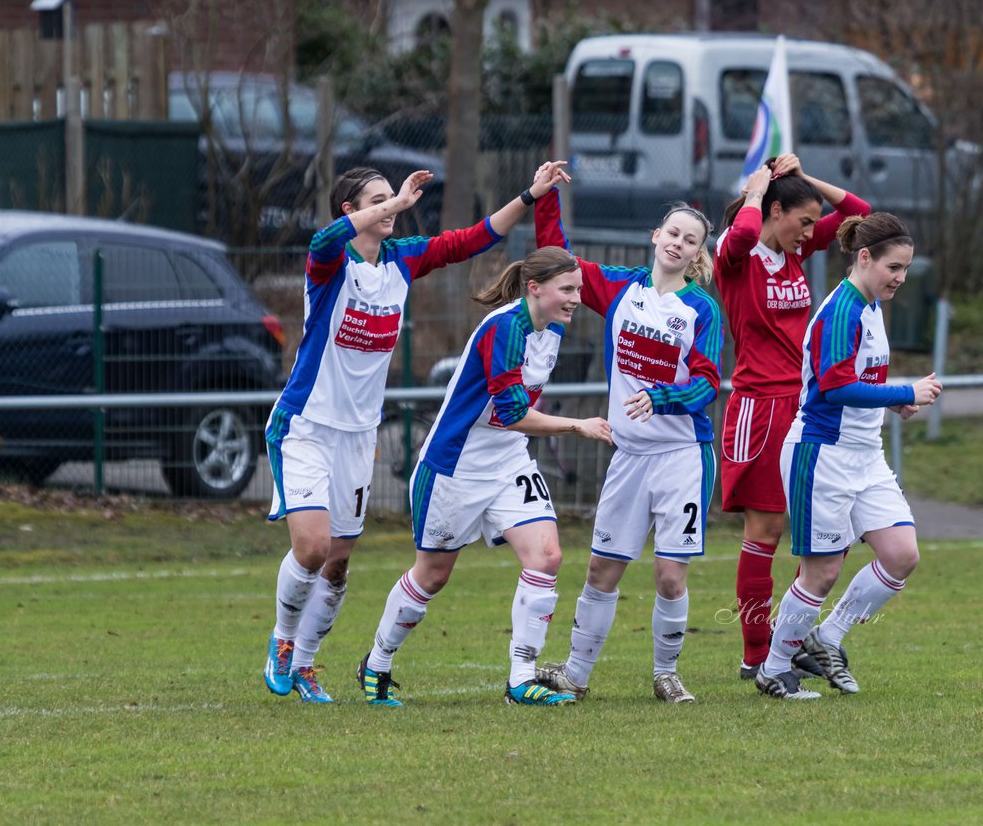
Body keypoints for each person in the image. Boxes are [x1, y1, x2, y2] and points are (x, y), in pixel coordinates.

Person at [264, 161, 571, 703]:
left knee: (337, 561)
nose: (393, 206)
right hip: (307, 425)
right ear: (352, 211)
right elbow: (322, 238)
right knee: (311, 549)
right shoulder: (330, 263)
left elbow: (472, 239)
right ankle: (284, 641)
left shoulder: (401, 261)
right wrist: (397, 205)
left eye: (393, 197)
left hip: (359, 435)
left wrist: (529, 193)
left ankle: (308, 664)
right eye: (377, 200)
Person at [357, 243, 613, 707]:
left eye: (578, 288)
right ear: (535, 289)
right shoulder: (507, 329)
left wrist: (547, 193)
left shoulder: (551, 327)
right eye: (568, 289)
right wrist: (577, 424)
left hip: (509, 461)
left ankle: (522, 678)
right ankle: (376, 662)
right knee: (432, 576)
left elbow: (513, 424)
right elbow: (514, 412)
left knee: (547, 557)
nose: (577, 298)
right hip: (455, 467)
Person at [530, 179, 723, 703]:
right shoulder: (620, 288)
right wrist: (545, 197)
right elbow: (559, 261)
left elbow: (708, 383)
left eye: (690, 240)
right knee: (601, 568)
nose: (678, 243)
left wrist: (659, 398)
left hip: (682, 456)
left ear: (697, 253)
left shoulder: (700, 309)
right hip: (629, 457)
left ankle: (666, 674)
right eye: (673, 233)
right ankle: (575, 673)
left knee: (668, 576)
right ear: (656, 235)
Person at [755, 212, 942, 699]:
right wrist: (905, 389)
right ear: (864, 258)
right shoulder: (844, 310)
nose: (900, 278)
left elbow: (856, 379)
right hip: (823, 454)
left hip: (865, 455)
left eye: (905, 269)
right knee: (822, 571)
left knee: (902, 555)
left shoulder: (873, 304)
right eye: (893, 268)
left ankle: (827, 636)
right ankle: (774, 668)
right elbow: (833, 387)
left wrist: (891, 399)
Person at [715, 154, 871, 680]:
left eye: (811, 224)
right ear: (773, 211)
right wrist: (758, 190)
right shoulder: (736, 256)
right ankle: (756, 656)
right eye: (802, 221)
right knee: (766, 529)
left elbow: (861, 213)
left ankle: (794, 639)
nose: (809, 233)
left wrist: (801, 179)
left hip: (805, 406)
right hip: (759, 408)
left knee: (835, 527)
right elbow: (738, 238)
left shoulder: (795, 252)